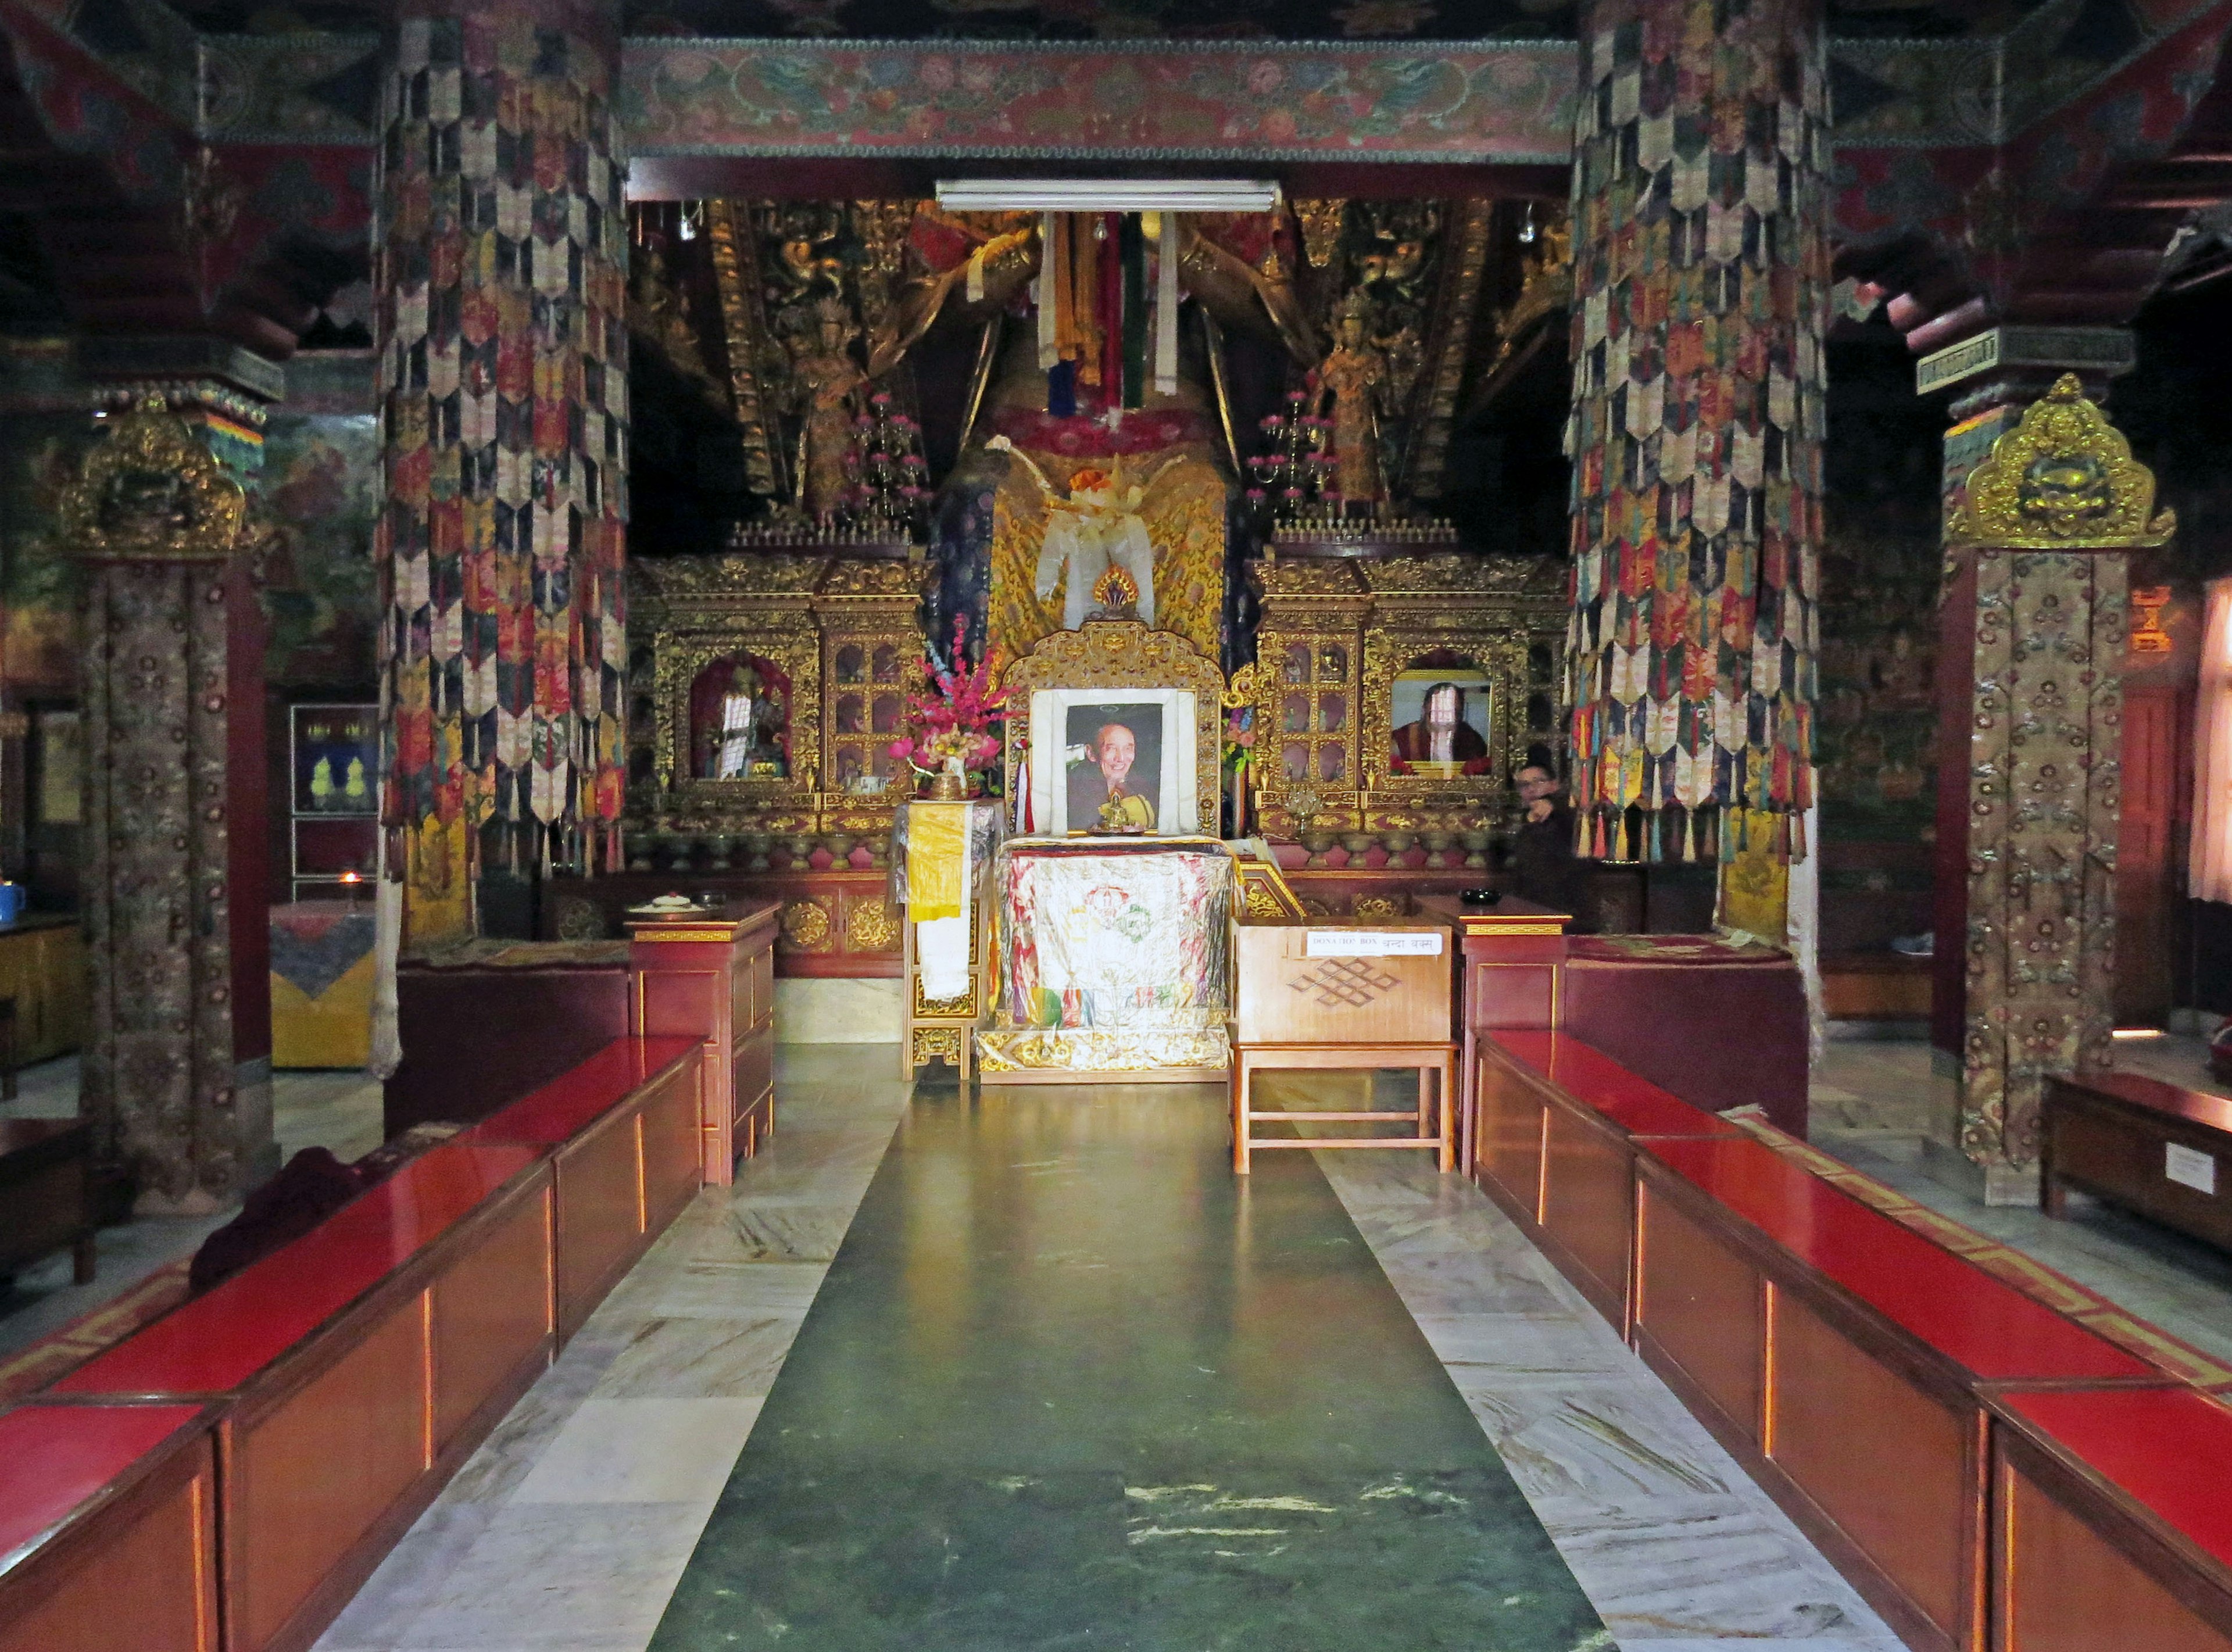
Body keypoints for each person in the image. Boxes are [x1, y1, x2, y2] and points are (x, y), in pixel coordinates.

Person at [1508, 763, 1582, 919]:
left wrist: (1554, 804)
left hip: (1566, 904)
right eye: (1524, 785)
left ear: (1554, 785)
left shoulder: (1567, 812)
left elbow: (1573, 810)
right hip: (1531, 904)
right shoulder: (1526, 820)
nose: (1531, 789)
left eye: (1538, 782)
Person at [1067, 721, 1156, 832]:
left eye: (1128, 749)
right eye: (1112, 749)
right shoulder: (1075, 789)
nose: (1121, 758)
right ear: (1091, 753)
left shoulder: (1140, 785)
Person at [1389, 681, 1489, 771]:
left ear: (1460, 716)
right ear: (1424, 710)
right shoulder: (1402, 740)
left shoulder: (1471, 740)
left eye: (1450, 715)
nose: (1442, 723)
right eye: (1435, 714)